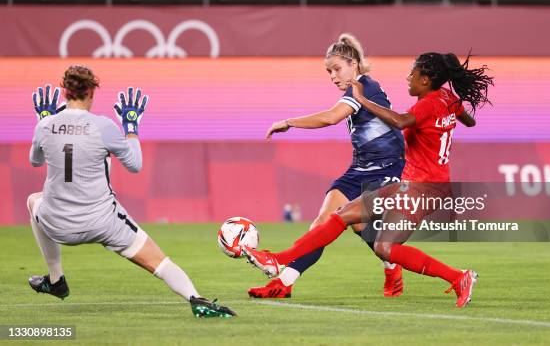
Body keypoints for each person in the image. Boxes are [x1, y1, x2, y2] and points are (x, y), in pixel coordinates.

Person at [243, 52, 494, 308]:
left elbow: (399, 121)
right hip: (419, 184)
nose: (408, 78)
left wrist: (362, 100)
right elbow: (469, 122)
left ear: (427, 80)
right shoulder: (447, 98)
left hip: (422, 187)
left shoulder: (427, 103)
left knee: (367, 232)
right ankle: (458, 277)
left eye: (413, 74)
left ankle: (278, 259)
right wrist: (449, 119)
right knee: (362, 228)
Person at [27, 65, 235, 318]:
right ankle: (197, 300)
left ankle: (56, 278)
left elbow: (36, 162)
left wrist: (44, 121)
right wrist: (131, 128)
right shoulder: (103, 126)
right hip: (103, 222)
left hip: (58, 224)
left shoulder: (46, 125)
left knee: (34, 200)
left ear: (64, 92)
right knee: (159, 262)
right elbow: (135, 165)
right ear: (91, 92)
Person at [248, 34, 406, 298]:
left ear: (353, 63)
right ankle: (283, 284)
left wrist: (289, 122)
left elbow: (332, 117)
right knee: (327, 222)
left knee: (346, 220)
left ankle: (393, 267)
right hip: (360, 168)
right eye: (328, 72)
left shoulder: (365, 87)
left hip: (387, 169)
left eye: (337, 69)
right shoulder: (355, 90)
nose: (332, 76)